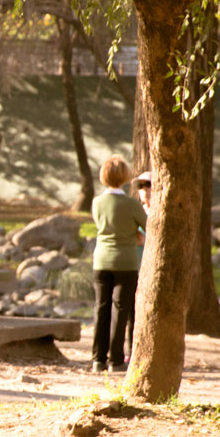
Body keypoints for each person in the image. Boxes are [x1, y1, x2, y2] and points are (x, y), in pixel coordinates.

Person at [91, 155, 147, 373]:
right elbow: (147, 225)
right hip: (126, 261)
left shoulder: (97, 203)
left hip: (101, 259)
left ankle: (98, 359)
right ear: (125, 176)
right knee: (120, 309)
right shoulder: (131, 204)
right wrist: (134, 236)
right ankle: (116, 360)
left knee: (101, 308)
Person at [124, 171, 153, 362]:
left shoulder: (158, 211)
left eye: (147, 184)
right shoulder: (137, 211)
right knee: (130, 312)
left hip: (150, 268)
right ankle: (130, 351)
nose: (144, 189)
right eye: (140, 186)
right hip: (133, 265)